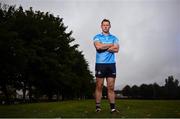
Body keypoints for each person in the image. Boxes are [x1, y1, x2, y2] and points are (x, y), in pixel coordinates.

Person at [93, 19, 119, 113]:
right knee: (99, 86)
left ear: (110, 26)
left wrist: (104, 46)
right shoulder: (97, 36)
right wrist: (110, 45)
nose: (105, 26)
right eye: (104, 25)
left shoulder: (114, 37)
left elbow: (116, 49)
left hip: (111, 64)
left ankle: (112, 108)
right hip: (100, 64)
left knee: (111, 87)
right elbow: (98, 47)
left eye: (107, 25)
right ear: (101, 26)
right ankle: (98, 107)